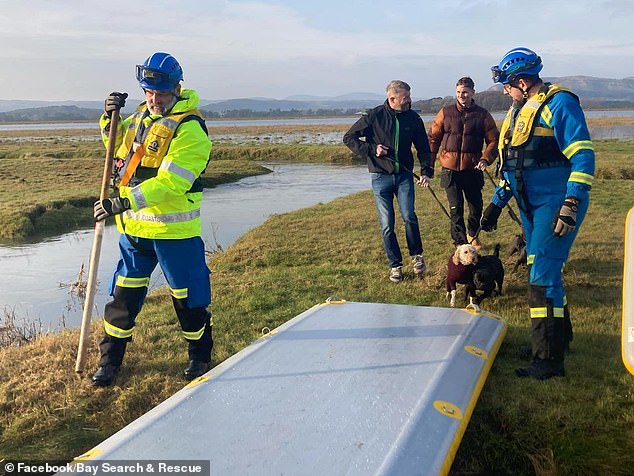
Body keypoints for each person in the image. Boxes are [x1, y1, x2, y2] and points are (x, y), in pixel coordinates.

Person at [91, 52, 213, 387]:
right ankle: (109, 361)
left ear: (177, 88)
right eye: (148, 92)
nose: (153, 99)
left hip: (175, 233)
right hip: (135, 232)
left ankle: (200, 356)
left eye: (159, 93)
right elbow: (116, 149)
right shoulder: (141, 118)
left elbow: (172, 182)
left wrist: (124, 200)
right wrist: (109, 119)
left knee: (189, 299)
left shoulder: (191, 129)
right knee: (123, 298)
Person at [481, 47, 595, 380]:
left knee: (542, 274)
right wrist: (496, 205)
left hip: (555, 204)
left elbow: (583, 157)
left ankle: (547, 360)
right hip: (529, 207)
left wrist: (571, 203)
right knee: (541, 268)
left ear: (521, 81)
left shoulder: (560, 104)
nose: (504, 90)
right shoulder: (520, 110)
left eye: (506, 84)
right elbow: (514, 164)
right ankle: (559, 340)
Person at [343, 80, 433, 282]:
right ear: (392, 99)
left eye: (409, 96)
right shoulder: (374, 116)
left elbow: (424, 148)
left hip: (404, 177)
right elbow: (349, 138)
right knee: (387, 224)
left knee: (409, 216)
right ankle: (395, 266)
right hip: (379, 176)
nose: (409, 100)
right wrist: (372, 149)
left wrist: (426, 172)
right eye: (405, 98)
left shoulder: (413, 118)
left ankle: (417, 256)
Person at [428, 77, 499, 249]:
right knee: (456, 208)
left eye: (465, 92)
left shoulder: (483, 115)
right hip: (450, 169)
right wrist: (428, 167)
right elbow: (432, 139)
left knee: (476, 207)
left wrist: (485, 158)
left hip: (473, 168)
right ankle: (460, 243)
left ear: (473, 92)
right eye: (459, 92)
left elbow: (494, 141)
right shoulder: (445, 112)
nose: (462, 95)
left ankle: (473, 234)